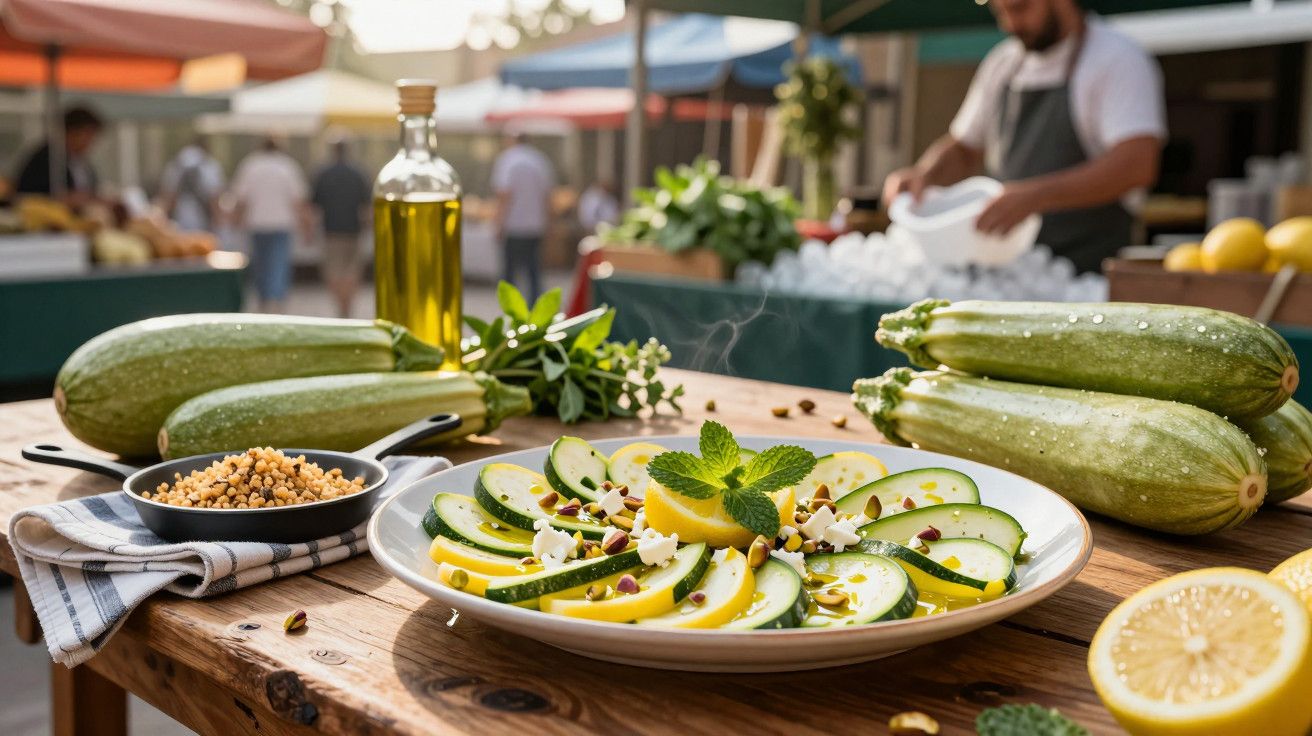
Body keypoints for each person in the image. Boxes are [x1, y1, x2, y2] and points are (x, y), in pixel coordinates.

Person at [882, 0, 1165, 274]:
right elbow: (965, 148)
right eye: (1000, 12)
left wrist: (1036, 197)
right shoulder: (1002, 63)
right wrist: (924, 175)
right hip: (1011, 273)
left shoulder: (1117, 58)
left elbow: (1136, 164)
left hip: (1088, 276)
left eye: (1020, 7)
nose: (1010, 24)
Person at [230, 136, 309, 314]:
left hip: (257, 223)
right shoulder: (287, 166)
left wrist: (235, 221)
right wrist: (306, 226)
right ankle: (276, 301)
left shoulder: (251, 165)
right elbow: (297, 200)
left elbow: (242, 199)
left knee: (260, 265)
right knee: (278, 264)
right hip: (281, 223)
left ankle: (264, 300)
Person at [491, 132, 556, 301]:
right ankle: (535, 308)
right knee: (533, 271)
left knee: (510, 272)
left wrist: (498, 223)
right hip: (535, 224)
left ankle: (510, 307)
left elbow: (504, 195)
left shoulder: (508, 160)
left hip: (513, 224)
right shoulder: (539, 160)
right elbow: (547, 196)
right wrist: (550, 223)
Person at [311, 137, 372, 318]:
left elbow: (314, 206)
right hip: (354, 231)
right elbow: (367, 207)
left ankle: (340, 306)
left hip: (331, 231)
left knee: (333, 271)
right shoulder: (359, 173)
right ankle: (347, 307)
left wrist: (309, 231)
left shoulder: (323, 173)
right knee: (352, 272)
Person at [13, 105, 104, 207]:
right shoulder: (45, 160)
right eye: (88, 134)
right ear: (71, 132)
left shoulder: (82, 164)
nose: (91, 141)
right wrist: (61, 199)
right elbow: (26, 195)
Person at [158, 136, 225, 232]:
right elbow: (214, 197)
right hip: (203, 220)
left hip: (178, 219)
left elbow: (168, 196)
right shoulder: (209, 165)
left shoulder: (176, 164)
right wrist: (218, 222)